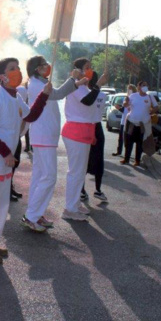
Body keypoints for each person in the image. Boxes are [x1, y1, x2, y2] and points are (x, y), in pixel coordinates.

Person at [0, 57, 51, 263]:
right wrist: (6, 152)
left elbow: (31, 116)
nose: (18, 72)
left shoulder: (15, 97)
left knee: (0, 206)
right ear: (2, 77)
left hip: (3, 163)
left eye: (17, 68)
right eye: (12, 69)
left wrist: (43, 96)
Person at [21, 55, 83, 232]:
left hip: (44, 135)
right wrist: (72, 78)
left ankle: (34, 213)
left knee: (40, 177)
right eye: (43, 65)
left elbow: (56, 93)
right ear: (36, 69)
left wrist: (75, 82)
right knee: (49, 177)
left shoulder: (39, 83)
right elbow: (57, 94)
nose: (47, 67)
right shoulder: (37, 84)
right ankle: (32, 216)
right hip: (44, 135)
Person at [61, 58, 108, 222]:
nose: (90, 70)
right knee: (75, 172)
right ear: (78, 70)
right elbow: (88, 102)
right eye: (87, 68)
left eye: (90, 67)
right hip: (76, 132)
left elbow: (91, 105)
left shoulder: (84, 86)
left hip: (83, 132)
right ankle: (70, 208)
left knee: (80, 172)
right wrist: (99, 84)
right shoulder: (76, 85)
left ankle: (74, 204)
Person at [79, 71, 109, 203]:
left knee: (95, 160)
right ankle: (83, 190)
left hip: (94, 127)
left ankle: (95, 190)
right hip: (89, 128)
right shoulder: (86, 94)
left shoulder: (100, 95)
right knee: (85, 160)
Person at [121, 80, 158, 167]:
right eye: (143, 85)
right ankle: (126, 159)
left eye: (146, 85)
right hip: (132, 122)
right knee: (128, 141)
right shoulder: (133, 96)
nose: (145, 87)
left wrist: (151, 112)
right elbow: (125, 105)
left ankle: (137, 160)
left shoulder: (150, 97)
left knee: (140, 142)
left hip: (143, 124)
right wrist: (125, 102)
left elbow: (156, 107)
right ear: (138, 87)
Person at [112, 84, 136, 157]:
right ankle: (119, 151)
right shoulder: (126, 98)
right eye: (128, 89)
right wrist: (119, 108)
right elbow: (124, 110)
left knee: (128, 139)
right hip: (123, 121)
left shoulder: (135, 98)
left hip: (131, 121)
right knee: (121, 138)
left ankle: (127, 154)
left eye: (130, 89)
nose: (129, 90)